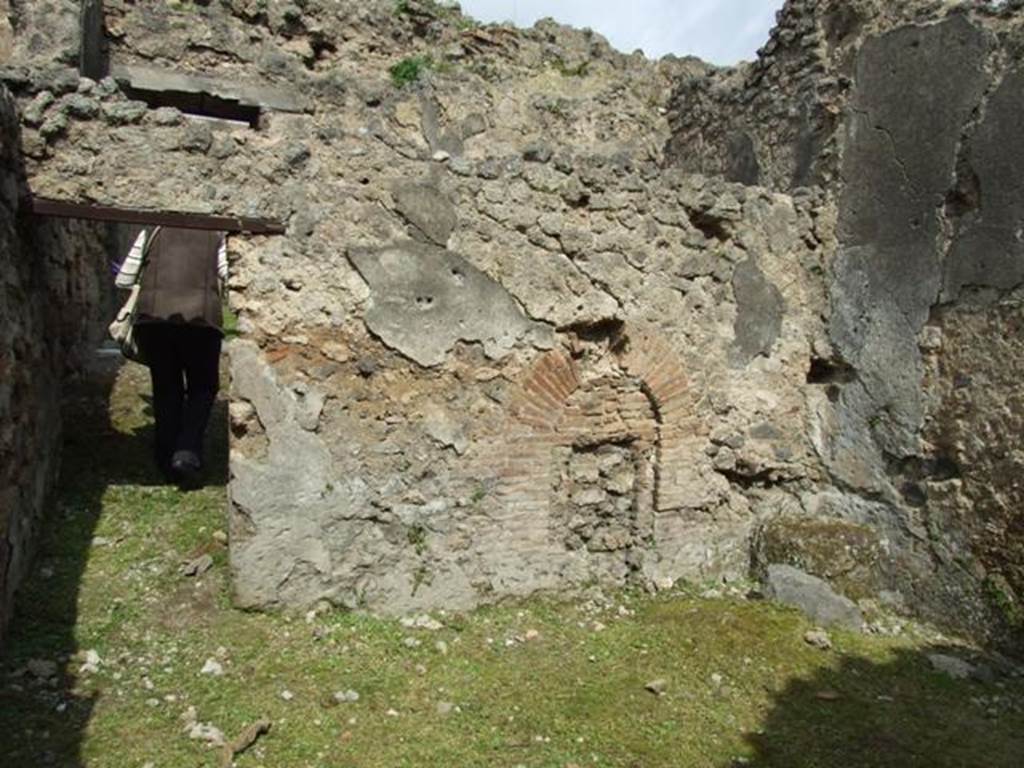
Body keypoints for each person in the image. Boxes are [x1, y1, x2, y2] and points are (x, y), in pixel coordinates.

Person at [115, 226, 228, 487]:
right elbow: (229, 274)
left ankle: (165, 458)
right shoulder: (216, 233)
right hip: (202, 322)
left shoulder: (152, 229)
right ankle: (187, 451)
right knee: (203, 386)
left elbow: (123, 279)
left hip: (153, 320)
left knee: (166, 387)